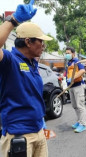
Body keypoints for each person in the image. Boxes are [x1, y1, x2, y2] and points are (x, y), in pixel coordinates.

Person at [0, 0, 51, 156]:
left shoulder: (32, 64)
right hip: (19, 135)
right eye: (40, 41)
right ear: (28, 42)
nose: (43, 45)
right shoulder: (10, 61)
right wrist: (13, 20)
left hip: (38, 131)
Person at [65, 47, 86, 133]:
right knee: (75, 105)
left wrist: (73, 77)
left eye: (68, 53)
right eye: (66, 53)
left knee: (80, 105)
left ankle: (83, 124)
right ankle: (79, 121)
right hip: (71, 86)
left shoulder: (77, 61)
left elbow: (82, 71)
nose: (67, 54)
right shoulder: (69, 62)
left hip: (78, 86)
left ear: (73, 53)